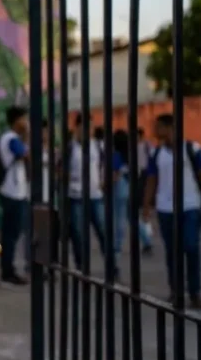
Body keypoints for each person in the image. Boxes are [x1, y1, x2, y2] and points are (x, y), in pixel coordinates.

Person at [142, 113, 201, 308]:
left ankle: (195, 291)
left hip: (190, 205)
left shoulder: (192, 149)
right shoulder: (156, 154)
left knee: (191, 247)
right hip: (166, 209)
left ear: (169, 127)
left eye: (158, 127)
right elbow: (151, 180)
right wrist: (146, 205)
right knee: (172, 252)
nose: (154, 131)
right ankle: (176, 291)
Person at [67, 113, 113, 278]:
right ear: (77, 128)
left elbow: (107, 165)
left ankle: (112, 268)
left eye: (92, 127)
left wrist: (104, 182)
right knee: (78, 235)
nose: (90, 131)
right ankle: (82, 267)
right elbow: (60, 171)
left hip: (95, 196)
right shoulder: (70, 147)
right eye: (86, 127)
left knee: (103, 232)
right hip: (76, 196)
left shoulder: (99, 146)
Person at [0, 105, 31, 287]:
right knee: (11, 235)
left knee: (12, 233)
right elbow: (25, 154)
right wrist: (27, 135)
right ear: (17, 121)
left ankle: (9, 270)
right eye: (24, 119)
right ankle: (8, 272)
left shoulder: (10, 138)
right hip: (12, 193)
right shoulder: (10, 138)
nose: (26, 123)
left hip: (15, 191)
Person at [110, 129, 152, 257]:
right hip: (130, 186)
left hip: (120, 187)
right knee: (132, 217)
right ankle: (146, 240)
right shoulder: (129, 154)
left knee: (120, 218)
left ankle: (117, 246)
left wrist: (106, 185)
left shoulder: (116, 154)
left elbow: (115, 174)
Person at [136, 127, 156, 255]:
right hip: (138, 174)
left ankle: (147, 233)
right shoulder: (133, 146)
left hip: (146, 173)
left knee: (145, 201)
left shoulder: (147, 145)